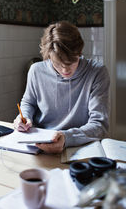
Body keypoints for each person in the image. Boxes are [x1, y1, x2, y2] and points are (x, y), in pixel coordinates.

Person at [14, 21, 110, 154]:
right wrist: (24, 117)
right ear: (48, 57)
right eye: (58, 64)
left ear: (79, 52)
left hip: (80, 147)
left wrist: (66, 138)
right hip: (40, 144)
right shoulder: (36, 70)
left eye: (71, 62)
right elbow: (28, 102)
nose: (65, 70)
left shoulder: (97, 72)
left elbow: (100, 125)